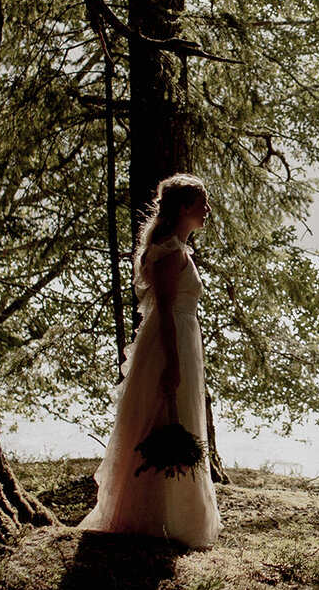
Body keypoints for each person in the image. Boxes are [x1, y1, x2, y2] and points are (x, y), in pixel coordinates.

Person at [83, 173, 222, 547]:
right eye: (202, 203)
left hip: (181, 339)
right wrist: (174, 363)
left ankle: (174, 514)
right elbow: (162, 311)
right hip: (168, 343)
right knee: (160, 421)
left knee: (175, 420)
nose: (207, 210)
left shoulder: (177, 249)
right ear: (183, 207)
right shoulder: (168, 253)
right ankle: (152, 516)